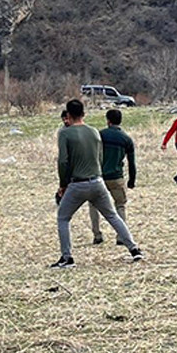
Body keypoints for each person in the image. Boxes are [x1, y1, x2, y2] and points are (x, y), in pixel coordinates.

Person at [52, 99, 143, 268]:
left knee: (63, 218)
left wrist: (63, 184)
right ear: (84, 114)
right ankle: (134, 249)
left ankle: (67, 258)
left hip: (77, 184)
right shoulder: (94, 132)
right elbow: (99, 157)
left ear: (68, 115)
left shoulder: (65, 133)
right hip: (97, 181)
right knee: (112, 216)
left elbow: (63, 161)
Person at [90, 109, 136, 246]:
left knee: (93, 205)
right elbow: (131, 162)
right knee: (120, 205)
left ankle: (97, 235)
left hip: (99, 176)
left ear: (108, 120)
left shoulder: (99, 135)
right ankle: (121, 236)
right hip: (116, 177)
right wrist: (132, 180)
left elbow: (91, 155)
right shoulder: (126, 139)